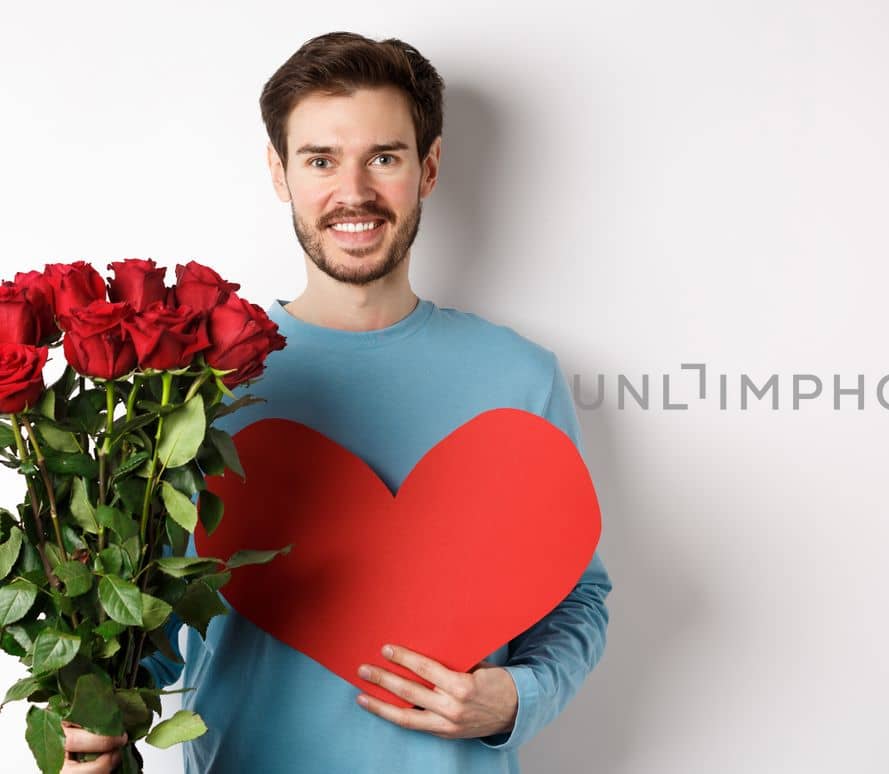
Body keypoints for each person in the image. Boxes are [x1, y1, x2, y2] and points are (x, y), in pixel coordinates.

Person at [60, 31, 613, 773]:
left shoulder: (519, 376)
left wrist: (518, 697)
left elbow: (576, 595)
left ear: (431, 168)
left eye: (384, 158)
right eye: (321, 160)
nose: (353, 193)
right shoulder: (196, 387)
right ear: (280, 173)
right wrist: (91, 718)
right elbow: (147, 623)